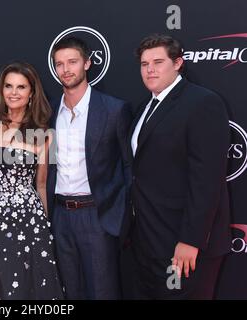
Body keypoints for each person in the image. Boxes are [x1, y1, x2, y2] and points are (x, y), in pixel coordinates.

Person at [122, 34, 231, 299]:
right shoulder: (144, 108)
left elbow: (206, 180)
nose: (150, 69)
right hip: (148, 242)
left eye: (158, 62)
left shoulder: (202, 102)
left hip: (185, 245)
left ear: (178, 63)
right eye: (144, 64)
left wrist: (191, 240)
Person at [47, 37, 132, 299]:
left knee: (103, 292)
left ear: (87, 62)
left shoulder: (114, 110)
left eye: (72, 62)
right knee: (69, 292)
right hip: (60, 216)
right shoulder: (48, 113)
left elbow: (129, 166)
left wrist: (120, 216)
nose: (66, 69)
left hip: (98, 214)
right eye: (59, 64)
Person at [0, 61, 64, 299]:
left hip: (26, 219)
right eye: (9, 86)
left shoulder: (45, 135)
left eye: (21, 87)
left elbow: (41, 184)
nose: (14, 92)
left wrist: (44, 226)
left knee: (24, 285)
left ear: (31, 93)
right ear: (1, 90)